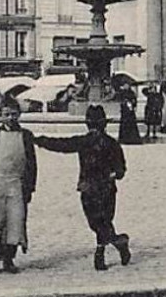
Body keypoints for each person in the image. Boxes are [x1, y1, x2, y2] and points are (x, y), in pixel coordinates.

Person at [33, 105, 131, 271]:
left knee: (103, 221)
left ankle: (100, 254)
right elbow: (62, 145)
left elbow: (121, 169)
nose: (94, 129)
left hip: (104, 188)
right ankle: (119, 242)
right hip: (89, 187)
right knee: (96, 222)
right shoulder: (88, 142)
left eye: (97, 124)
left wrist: (113, 175)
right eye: (92, 125)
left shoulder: (110, 144)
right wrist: (40, 140)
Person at [0, 97, 37, 276]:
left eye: (13, 114)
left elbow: (31, 163)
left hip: (16, 183)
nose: (10, 118)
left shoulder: (26, 135)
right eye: (6, 115)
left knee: (15, 221)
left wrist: (29, 187)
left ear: (19, 115)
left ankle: (8, 259)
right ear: (0, 116)